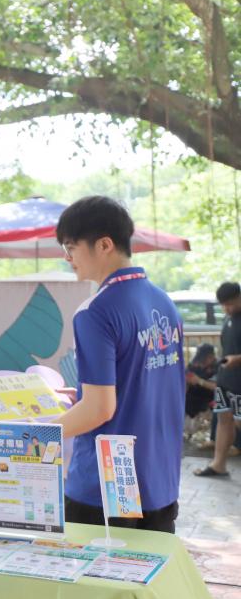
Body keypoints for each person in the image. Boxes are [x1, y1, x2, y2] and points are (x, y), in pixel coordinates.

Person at [53, 196, 184, 533]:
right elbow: (144, 385)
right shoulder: (164, 302)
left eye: (71, 247)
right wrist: (83, 397)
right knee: (151, 567)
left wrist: (37, 435)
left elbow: (100, 409)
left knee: (95, 570)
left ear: (104, 245)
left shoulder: (96, 311)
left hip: (105, 489)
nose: (67, 257)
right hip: (160, 480)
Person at [195, 281, 241, 477]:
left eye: (230, 304)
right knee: (223, 419)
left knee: (239, 422)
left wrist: (238, 359)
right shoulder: (229, 318)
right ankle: (218, 465)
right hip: (225, 380)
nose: (226, 308)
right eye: (223, 305)